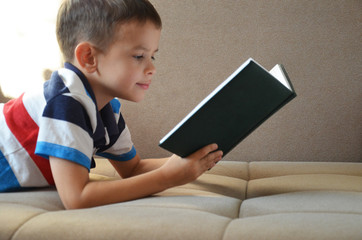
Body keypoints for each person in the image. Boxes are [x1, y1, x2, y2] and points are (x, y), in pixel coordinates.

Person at [0, 0, 223, 209]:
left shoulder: (107, 109)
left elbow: (133, 169)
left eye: (152, 56)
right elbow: (76, 198)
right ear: (89, 57)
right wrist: (168, 177)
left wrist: (189, 163)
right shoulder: (66, 103)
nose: (151, 68)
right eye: (138, 56)